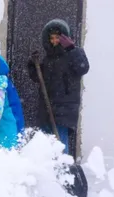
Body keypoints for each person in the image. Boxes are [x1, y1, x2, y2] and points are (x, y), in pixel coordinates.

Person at [27, 19, 89, 156]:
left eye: (58, 38)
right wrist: (33, 64)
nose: (54, 41)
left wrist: (71, 49)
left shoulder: (74, 54)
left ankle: (63, 171)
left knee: (60, 144)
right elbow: (39, 78)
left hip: (64, 109)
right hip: (47, 108)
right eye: (52, 38)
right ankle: (48, 172)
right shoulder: (48, 59)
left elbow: (83, 68)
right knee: (45, 144)